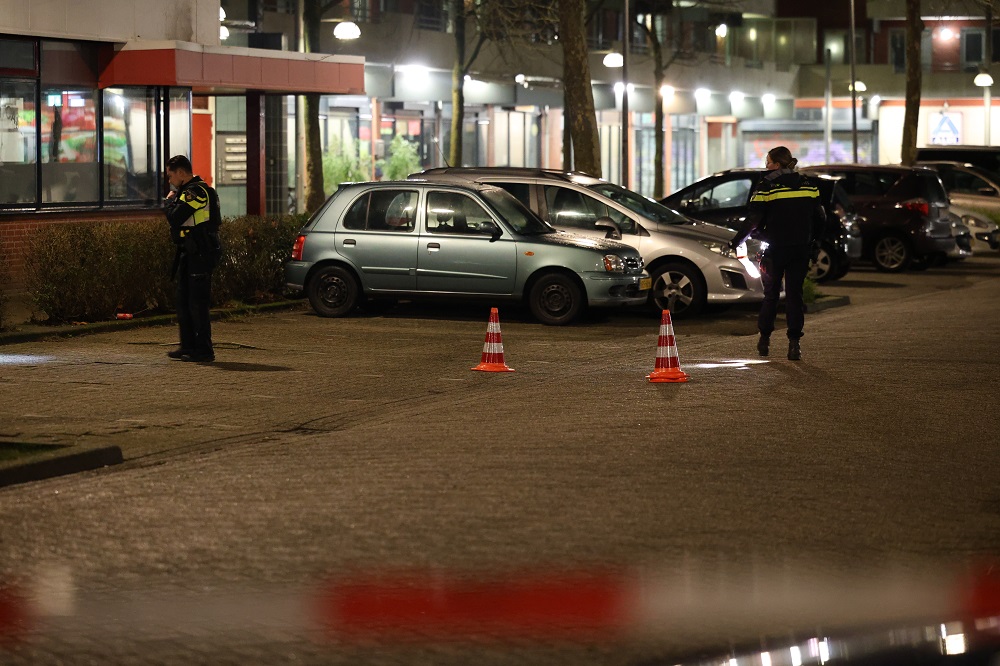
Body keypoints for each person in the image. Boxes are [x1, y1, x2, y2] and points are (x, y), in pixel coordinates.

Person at [729, 146, 825, 361]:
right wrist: (815, 243)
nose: (765, 165)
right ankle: (794, 345)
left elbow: (753, 219)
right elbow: (820, 218)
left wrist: (737, 241)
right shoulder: (809, 185)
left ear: (777, 164)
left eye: (768, 161)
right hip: (800, 249)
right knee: (794, 296)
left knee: (771, 295)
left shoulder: (767, 186)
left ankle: (764, 340)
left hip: (775, 249)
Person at [163, 155, 222, 363]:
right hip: (190, 252)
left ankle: (204, 351)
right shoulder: (188, 192)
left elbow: (175, 218)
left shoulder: (196, 192)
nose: (170, 180)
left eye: (171, 175)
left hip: (201, 253)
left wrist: (169, 202)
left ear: (181, 173)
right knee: (183, 301)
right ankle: (187, 346)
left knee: (197, 304)